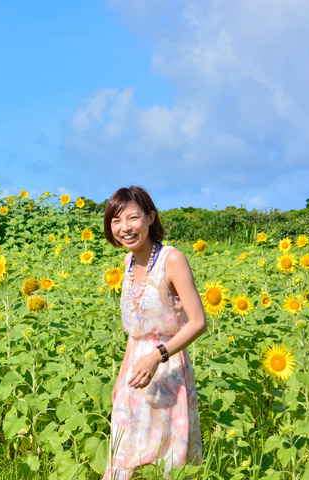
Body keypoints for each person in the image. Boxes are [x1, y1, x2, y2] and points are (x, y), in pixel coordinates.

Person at [102, 186, 206, 480]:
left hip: (168, 371)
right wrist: (122, 379)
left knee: (164, 462)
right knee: (125, 459)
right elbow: (135, 334)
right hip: (134, 375)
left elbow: (198, 321)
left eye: (133, 218)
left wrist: (156, 357)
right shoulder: (127, 262)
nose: (125, 228)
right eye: (116, 221)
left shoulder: (172, 260)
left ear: (150, 217)